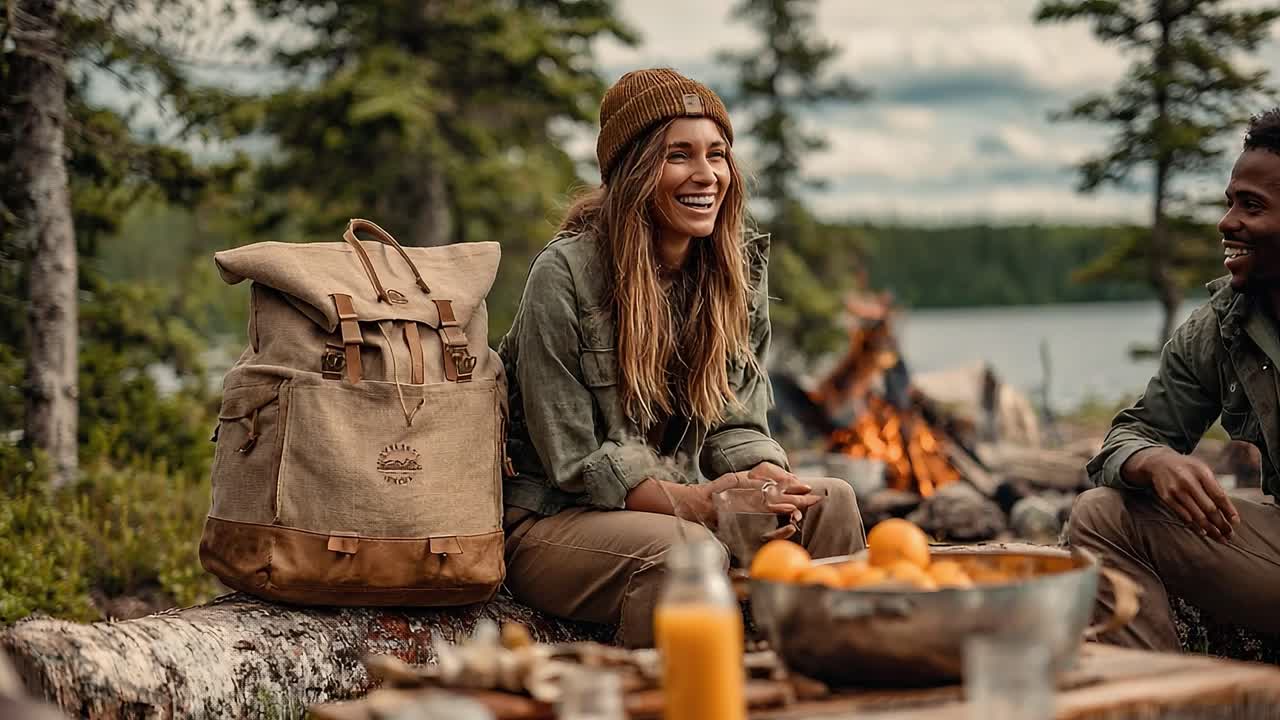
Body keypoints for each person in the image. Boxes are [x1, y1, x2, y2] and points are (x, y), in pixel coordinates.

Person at [498, 68, 865, 648]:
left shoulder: (733, 274)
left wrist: (765, 477)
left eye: (717, 154)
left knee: (830, 500)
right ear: (635, 170)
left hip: (676, 503)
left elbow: (734, 421)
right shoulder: (564, 275)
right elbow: (578, 464)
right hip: (554, 522)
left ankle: (829, 683)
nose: (706, 175)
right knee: (686, 551)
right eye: (679, 155)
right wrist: (706, 504)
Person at [1070, 109, 1280, 651]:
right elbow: (1131, 435)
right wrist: (1153, 461)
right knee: (1102, 515)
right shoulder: (1226, 323)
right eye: (1230, 201)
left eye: (1251, 206)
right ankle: (1163, 696)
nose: (1227, 222)